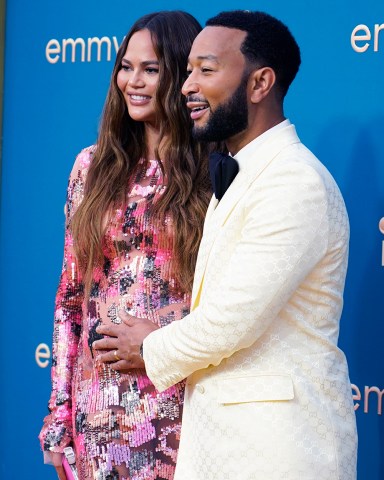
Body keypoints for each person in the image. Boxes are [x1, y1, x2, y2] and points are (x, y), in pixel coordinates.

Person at [93, 10, 358, 480]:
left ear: (260, 83)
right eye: (189, 69)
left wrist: (148, 345)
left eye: (206, 70)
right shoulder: (241, 174)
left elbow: (230, 320)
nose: (187, 86)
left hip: (277, 450)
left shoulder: (293, 181)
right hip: (225, 444)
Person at [39, 10, 213, 480]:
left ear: (181, 74)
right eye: (125, 66)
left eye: (151, 69)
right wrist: (58, 416)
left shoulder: (214, 170)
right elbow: (70, 299)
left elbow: (225, 300)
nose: (132, 81)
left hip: (177, 391)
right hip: (98, 399)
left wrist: (163, 330)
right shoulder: (90, 167)